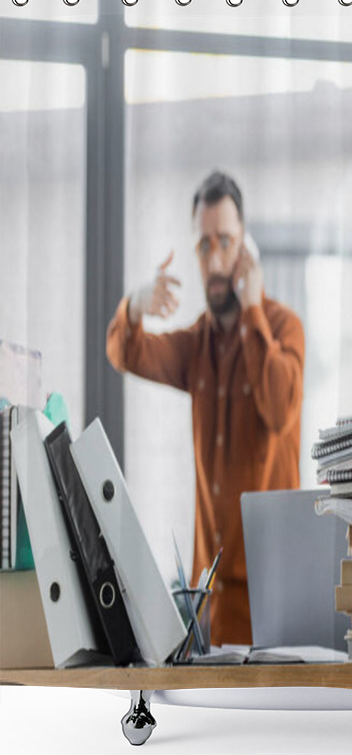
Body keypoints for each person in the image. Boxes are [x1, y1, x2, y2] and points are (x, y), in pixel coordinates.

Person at [106, 171, 304, 646]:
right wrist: (134, 306)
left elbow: (278, 410)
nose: (214, 260)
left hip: (273, 598)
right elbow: (125, 353)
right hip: (212, 603)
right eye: (203, 245)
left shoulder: (283, 327)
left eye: (225, 242)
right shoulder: (197, 343)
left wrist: (253, 309)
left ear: (245, 247)